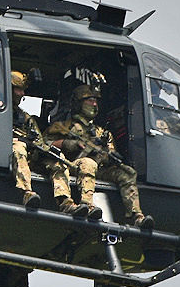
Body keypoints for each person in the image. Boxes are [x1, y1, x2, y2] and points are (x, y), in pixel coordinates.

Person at [45, 85, 152, 228]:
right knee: (88, 163)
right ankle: (87, 205)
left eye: (96, 100)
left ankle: (136, 215)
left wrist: (107, 157)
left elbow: (110, 151)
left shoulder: (101, 132)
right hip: (70, 166)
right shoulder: (64, 126)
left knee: (127, 172)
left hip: (97, 170)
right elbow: (44, 144)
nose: (94, 104)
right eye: (89, 100)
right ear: (78, 103)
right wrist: (66, 143)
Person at [8, 71, 44, 210]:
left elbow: (40, 141)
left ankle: (67, 202)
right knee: (18, 147)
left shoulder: (25, 118)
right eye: (19, 89)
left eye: (23, 90)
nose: (22, 94)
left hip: (29, 157)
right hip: (8, 155)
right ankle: (27, 192)